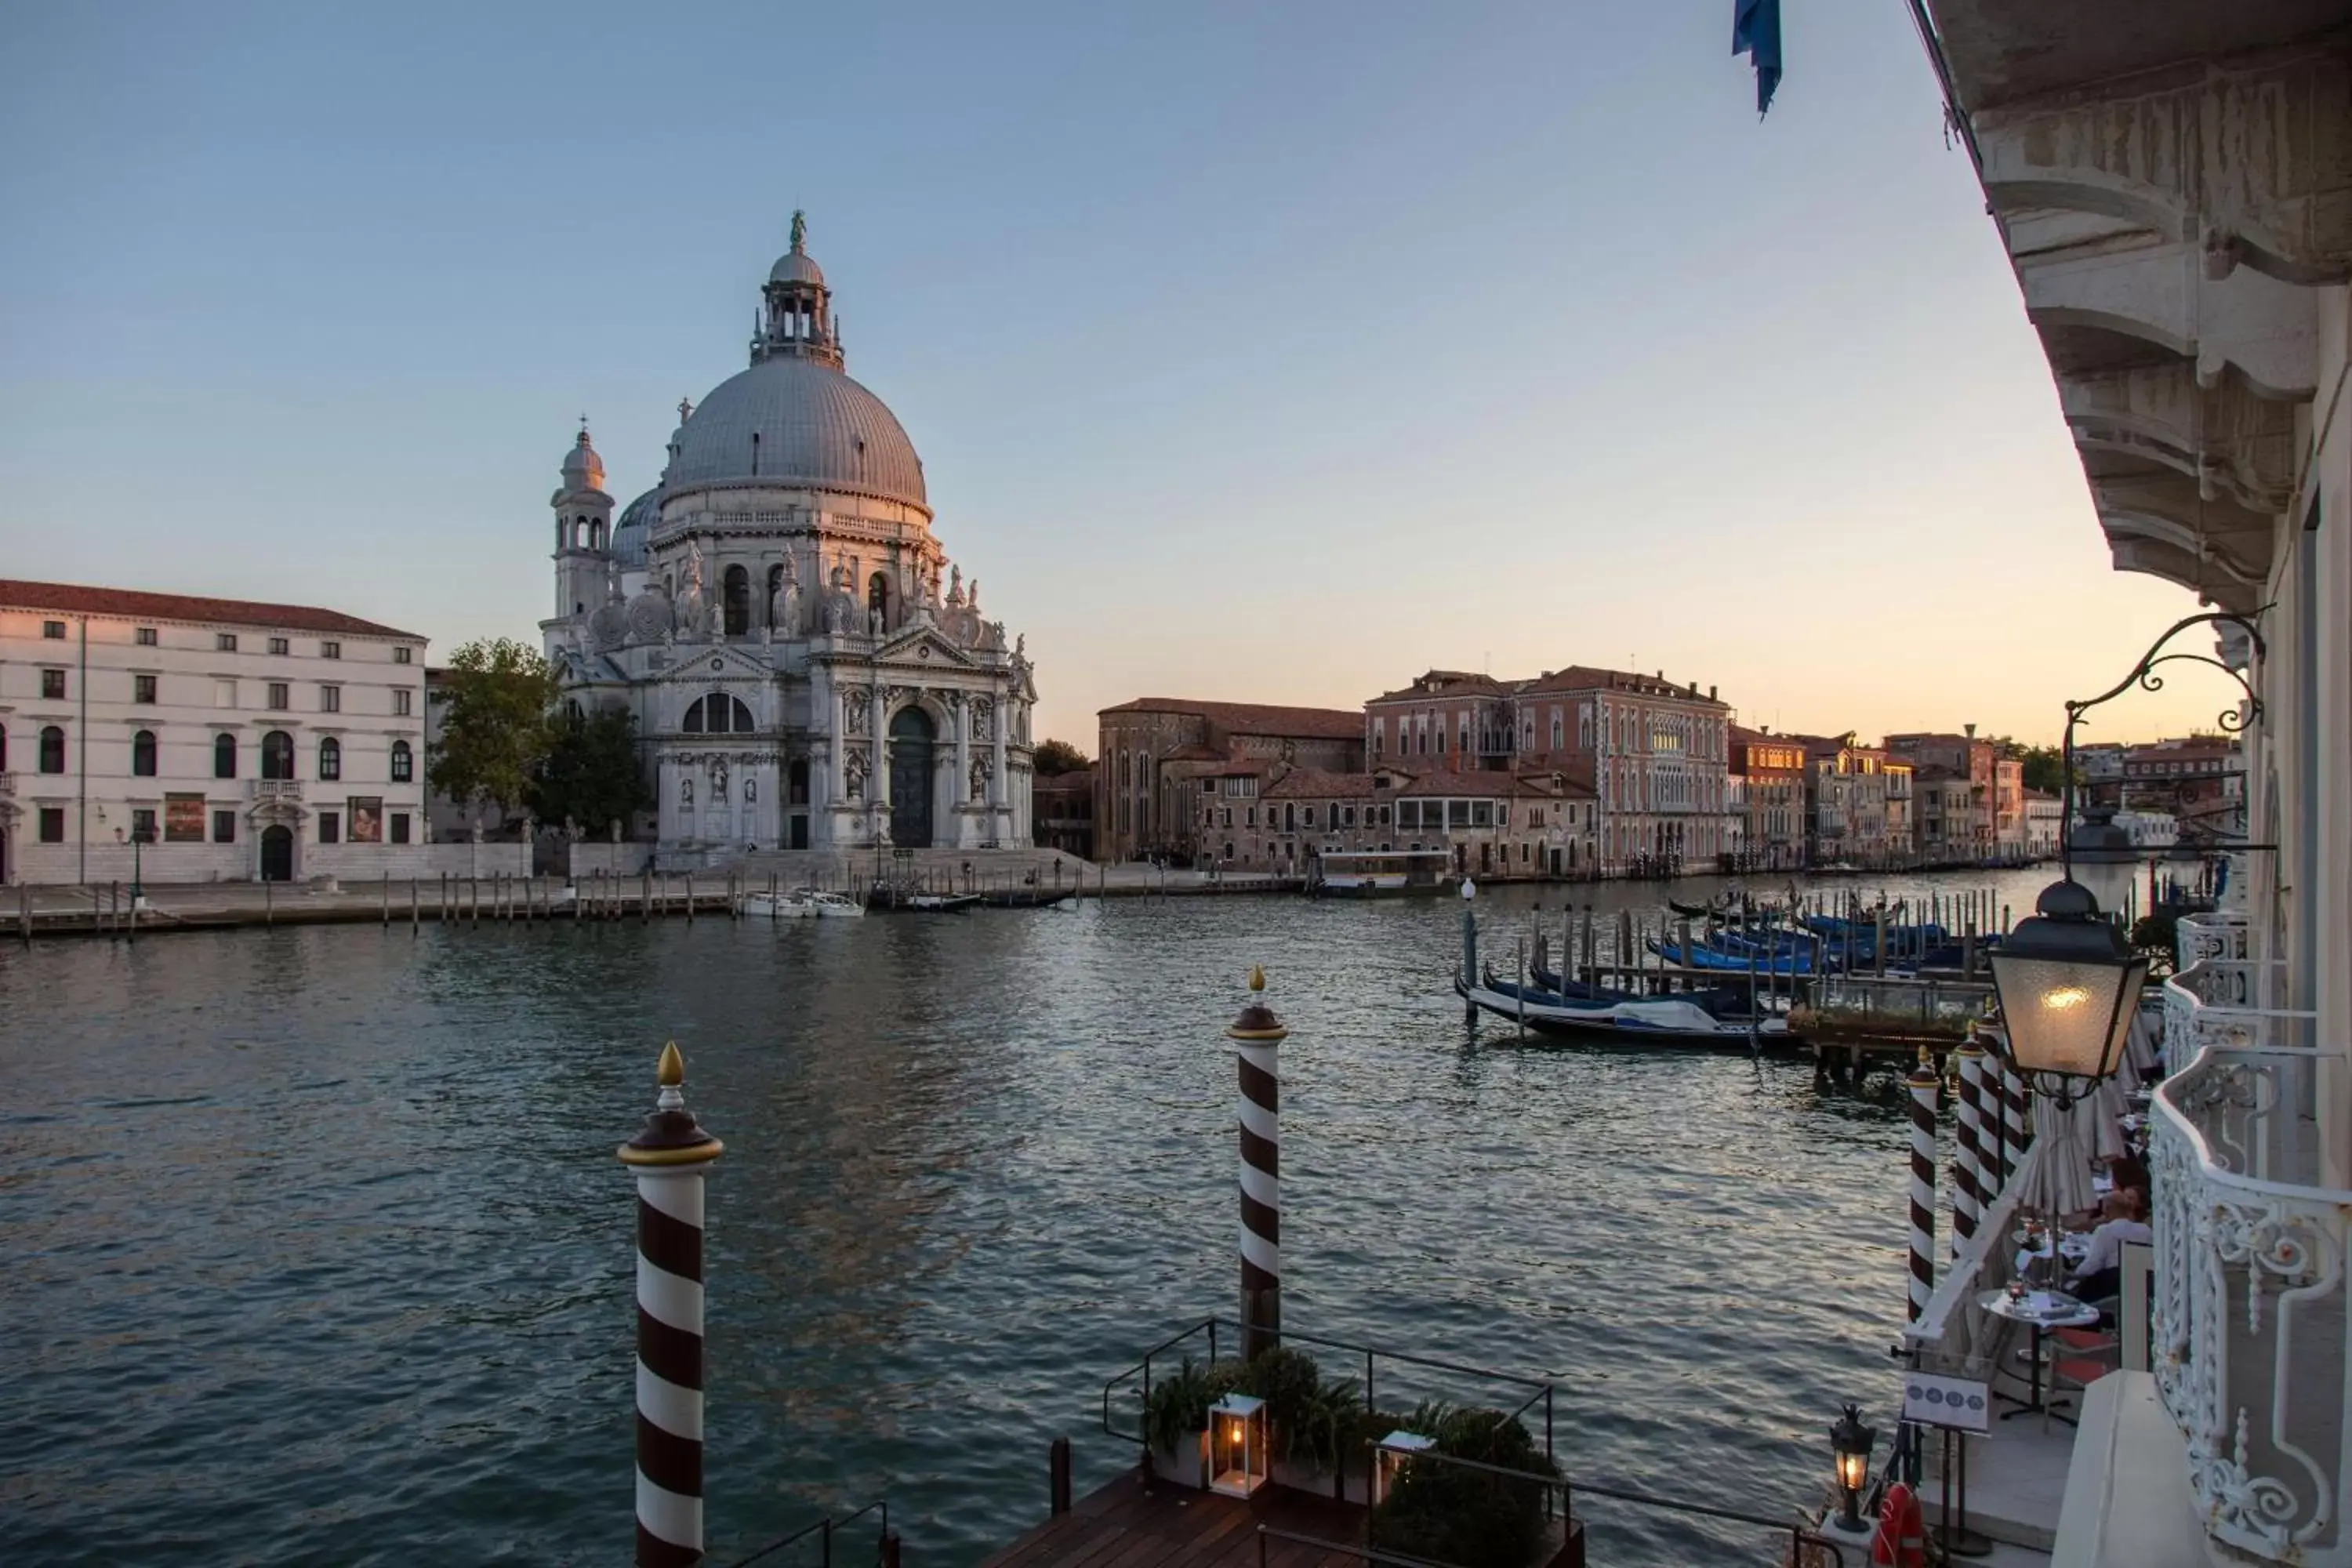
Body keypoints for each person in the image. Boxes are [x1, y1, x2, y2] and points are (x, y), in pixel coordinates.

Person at [2068, 1184, 2151, 1303]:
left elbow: (2091, 1265)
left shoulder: (2105, 1231)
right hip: (2140, 1287)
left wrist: (2074, 1275)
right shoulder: (2146, 1230)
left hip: (2109, 1290)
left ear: (2107, 1210)